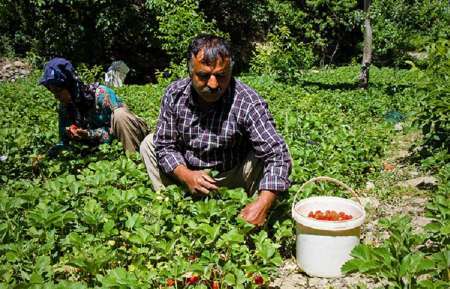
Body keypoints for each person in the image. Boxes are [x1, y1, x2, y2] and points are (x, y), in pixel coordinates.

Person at [140, 35, 291, 226]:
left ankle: (252, 210)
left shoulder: (247, 101)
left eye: (221, 76)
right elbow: (165, 145)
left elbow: (277, 153)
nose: (213, 84)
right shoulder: (174, 94)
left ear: (231, 71)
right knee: (149, 144)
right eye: (203, 75)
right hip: (190, 172)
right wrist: (186, 175)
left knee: (278, 151)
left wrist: (263, 204)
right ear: (190, 71)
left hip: (234, 175)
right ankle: (173, 207)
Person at [39, 57, 149, 156]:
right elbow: (63, 142)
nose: (56, 96)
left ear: (70, 85)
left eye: (58, 91)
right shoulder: (65, 107)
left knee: (120, 115)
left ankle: (135, 159)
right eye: (52, 92)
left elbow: (121, 128)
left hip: (132, 136)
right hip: (102, 150)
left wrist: (90, 134)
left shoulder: (102, 94)